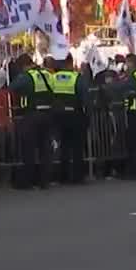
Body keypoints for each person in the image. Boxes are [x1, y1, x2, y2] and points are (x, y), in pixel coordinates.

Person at [9, 54, 54, 189]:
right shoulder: (46, 74)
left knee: (28, 149)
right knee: (45, 149)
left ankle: (28, 181)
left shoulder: (26, 77)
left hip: (31, 115)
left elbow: (12, 87)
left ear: (23, 65)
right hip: (47, 114)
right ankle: (44, 180)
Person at [47, 49, 88, 184]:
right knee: (77, 148)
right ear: (70, 63)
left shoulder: (52, 78)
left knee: (63, 147)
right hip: (75, 115)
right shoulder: (77, 78)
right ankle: (77, 177)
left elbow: (49, 96)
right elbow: (85, 98)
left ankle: (63, 176)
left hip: (58, 116)